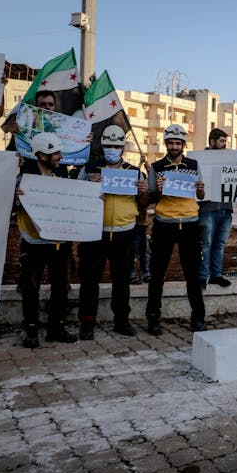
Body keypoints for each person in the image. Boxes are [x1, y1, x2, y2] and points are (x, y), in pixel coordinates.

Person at [76, 125, 147, 339]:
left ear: (123, 148)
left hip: (124, 233)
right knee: (89, 280)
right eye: (108, 145)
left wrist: (143, 191)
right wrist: (89, 186)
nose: (112, 149)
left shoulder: (135, 173)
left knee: (122, 280)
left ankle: (122, 321)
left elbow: (143, 205)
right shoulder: (89, 169)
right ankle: (87, 323)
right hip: (94, 233)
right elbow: (76, 196)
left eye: (116, 145)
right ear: (102, 145)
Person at [14, 133, 76, 347]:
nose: (59, 157)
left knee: (60, 287)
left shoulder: (63, 175)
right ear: (41, 155)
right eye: (55, 153)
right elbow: (9, 207)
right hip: (33, 243)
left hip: (59, 242)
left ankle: (56, 328)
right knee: (31, 287)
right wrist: (14, 197)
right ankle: (31, 329)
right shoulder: (24, 177)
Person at [145, 124, 207, 334]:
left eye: (177, 143)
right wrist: (159, 191)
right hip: (164, 223)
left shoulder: (193, 164)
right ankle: (153, 318)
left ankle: (198, 317)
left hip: (190, 223)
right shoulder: (157, 166)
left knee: (193, 273)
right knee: (157, 273)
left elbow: (199, 195)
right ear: (166, 144)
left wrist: (201, 190)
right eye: (170, 143)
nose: (174, 147)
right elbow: (151, 198)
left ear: (183, 144)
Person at [198, 128, 233, 289]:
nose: (224, 145)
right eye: (221, 141)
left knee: (219, 244)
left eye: (225, 141)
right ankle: (202, 277)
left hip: (226, 208)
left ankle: (216, 275)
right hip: (208, 208)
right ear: (211, 142)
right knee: (206, 243)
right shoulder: (200, 160)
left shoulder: (229, 159)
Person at [129, 157, 151, 285]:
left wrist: (147, 168)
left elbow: (150, 182)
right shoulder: (131, 187)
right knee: (133, 251)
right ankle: (132, 274)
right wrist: (140, 164)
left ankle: (145, 273)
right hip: (132, 223)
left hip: (141, 223)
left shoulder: (144, 192)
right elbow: (132, 174)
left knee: (144, 251)